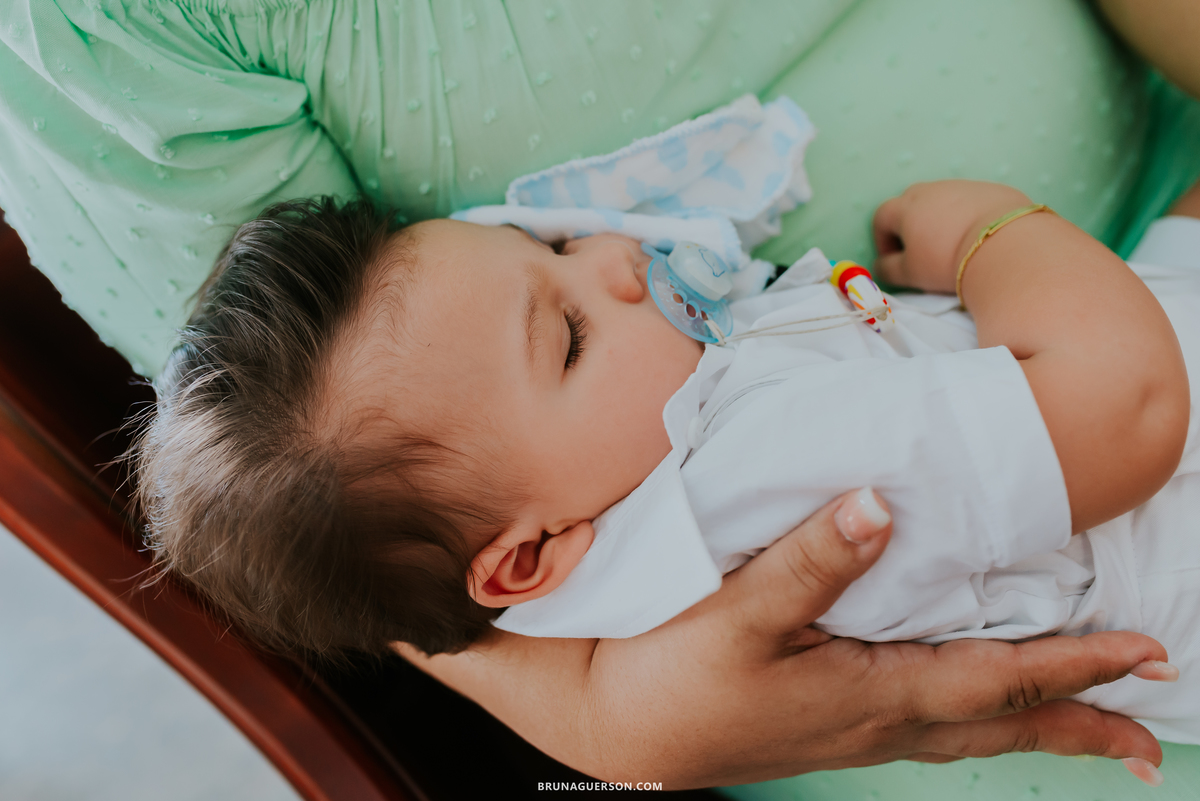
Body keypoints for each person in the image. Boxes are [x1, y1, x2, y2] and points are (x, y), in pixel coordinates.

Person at [7, 0, 1200, 791]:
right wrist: (994, 229)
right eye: (571, 329)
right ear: (528, 558)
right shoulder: (768, 479)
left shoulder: (611, 485)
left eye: (558, 244)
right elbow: (1129, 408)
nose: (624, 260)